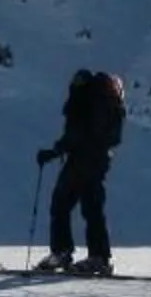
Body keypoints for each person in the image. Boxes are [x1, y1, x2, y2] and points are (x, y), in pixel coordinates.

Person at [34, 68, 126, 275]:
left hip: (84, 160)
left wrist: (56, 151)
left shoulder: (85, 101)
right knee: (90, 207)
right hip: (95, 159)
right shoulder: (103, 101)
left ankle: (68, 253)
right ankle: (97, 257)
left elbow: (77, 134)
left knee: (63, 203)